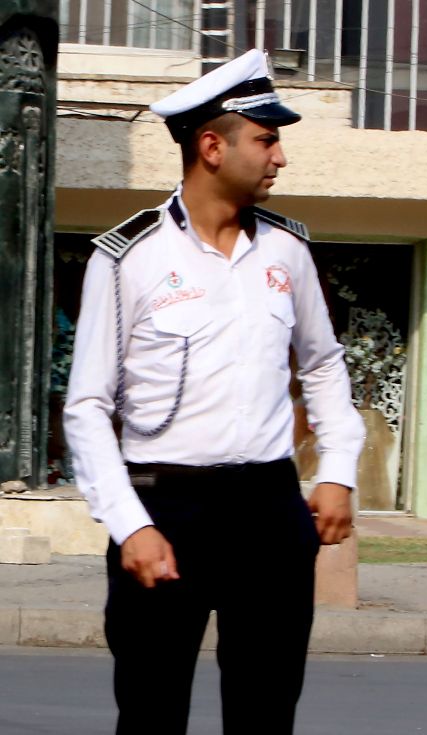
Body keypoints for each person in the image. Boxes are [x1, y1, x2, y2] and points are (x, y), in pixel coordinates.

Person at [63, 49, 365, 735]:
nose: (279, 157)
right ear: (211, 147)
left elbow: (322, 365)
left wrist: (338, 470)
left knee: (266, 712)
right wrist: (131, 523)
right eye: (265, 139)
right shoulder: (130, 258)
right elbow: (87, 406)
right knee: (152, 710)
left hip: (268, 506)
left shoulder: (287, 251)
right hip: (165, 505)